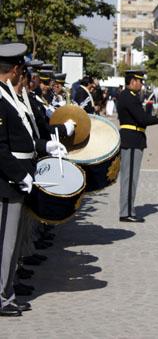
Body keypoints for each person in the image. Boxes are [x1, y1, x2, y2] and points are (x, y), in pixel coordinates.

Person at [0, 43, 66, 316]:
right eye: (22, 70)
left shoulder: (7, 96)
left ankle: (8, 290)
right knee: (5, 242)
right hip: (7, 182)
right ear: (14, 70)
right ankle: (3, 297)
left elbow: (22, 135)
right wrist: (20, 176)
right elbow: (1, 148)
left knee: (12, 242)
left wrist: (45, 147)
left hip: (17, 177)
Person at [117, 70, 158, 223]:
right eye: (139, 81)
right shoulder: (129, 97)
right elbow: (142, 119)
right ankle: (126, 212)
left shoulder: (130, 96)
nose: (141, 84)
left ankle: (128, 210)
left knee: (131, 177)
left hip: (134, 138)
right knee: (129, 177)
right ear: (132, 81)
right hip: (131, 140)